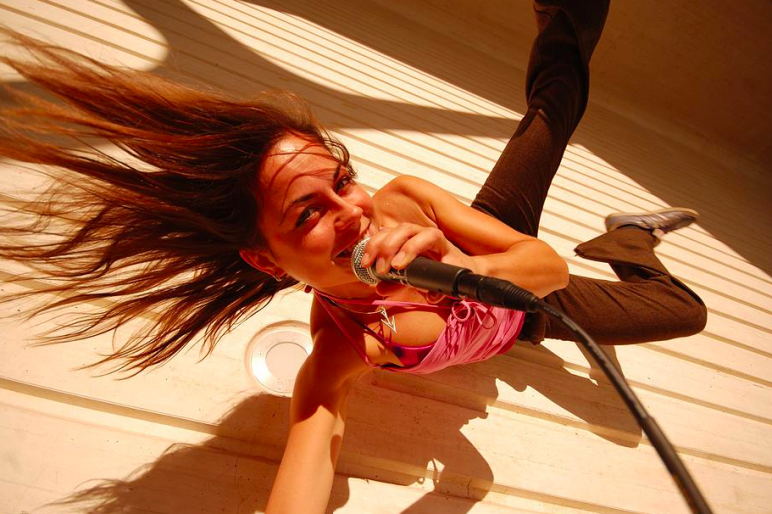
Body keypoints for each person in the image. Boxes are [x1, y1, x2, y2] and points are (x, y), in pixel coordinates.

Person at [0, 1, 706, 512]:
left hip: (498, 244)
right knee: (685, 311)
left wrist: (470, 268)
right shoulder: (342, 342)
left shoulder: (403, 199)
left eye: (342, 182)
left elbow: (545, 268)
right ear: (267, 260)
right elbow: (312, 447)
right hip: (526, 326)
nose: (352, 212)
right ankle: (630, 241)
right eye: (308, 213)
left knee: (552, 112)